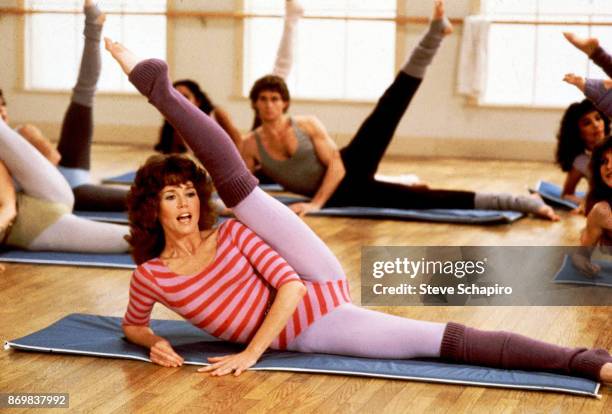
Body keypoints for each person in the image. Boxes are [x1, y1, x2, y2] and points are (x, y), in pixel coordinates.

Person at [105, 34, 612, 382]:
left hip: (313, 296)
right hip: (315, 330)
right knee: (437, 340)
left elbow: (292, 285)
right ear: (152, 209)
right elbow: (133, 323)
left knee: (241, 192)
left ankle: (157, 88)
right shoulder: (151, 275)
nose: (187, 203)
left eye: (190, 191)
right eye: (171, 196)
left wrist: (251, 354)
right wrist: (152, 341)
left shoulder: (231, 235)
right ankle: (592, 362)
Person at [235, 1, 557, 220]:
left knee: (389, 108)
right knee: (429, 201)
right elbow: (243, 186)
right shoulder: (251, 143)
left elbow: (336, 166)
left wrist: (317, 204)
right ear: (254, 104)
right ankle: (521, 203)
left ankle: (434, 34)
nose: (269, 105)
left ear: (285, 103)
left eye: (275, 99)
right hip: (352, 196)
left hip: (350, 167)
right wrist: (225, 207)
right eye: (262, 99)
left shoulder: (306, 124)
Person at [0, 2, 129, 255]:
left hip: (59, 183)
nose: (3, 111)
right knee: (132, 217)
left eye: (3, 106)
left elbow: (53, 160)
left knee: (83, 95)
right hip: (57, 197)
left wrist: (25, 171)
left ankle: (93, 30)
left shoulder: (22, 132)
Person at [154, 0, 303, 155]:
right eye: (177, 96)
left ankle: (292, 19)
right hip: (218, 168)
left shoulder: (216, 114)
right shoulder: (173, 127)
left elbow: (238, 142)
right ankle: (292, 18)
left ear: (197, 100)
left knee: (277, 77)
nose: (181, 100)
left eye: (186, 96)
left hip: (243, 156)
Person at [555, 100, 608, 211]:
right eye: (587, 123)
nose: (596, 125)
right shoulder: (581, 161)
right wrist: (585, 203)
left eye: (598, 118)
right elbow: (566, 194)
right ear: (577, 133)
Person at [571, 137, 612, 276]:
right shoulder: (601, 211)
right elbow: (580, 255)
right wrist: (585, 265)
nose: (609, 167)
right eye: (604, 161)